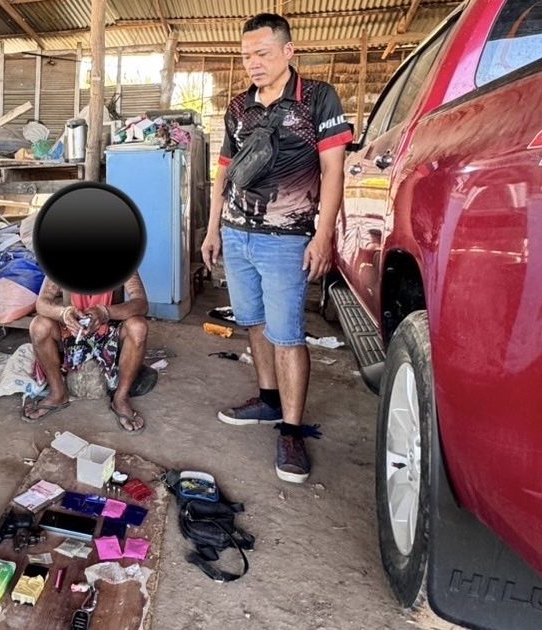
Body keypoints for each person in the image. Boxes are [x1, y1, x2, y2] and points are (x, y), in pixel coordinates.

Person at [201, 14, 351, 484]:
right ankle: (268, 401)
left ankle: (291, 429)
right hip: (237, 233)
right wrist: (212, 229)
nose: (253, 63)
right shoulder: (238, 107)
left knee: (287, 335)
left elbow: (333, 170)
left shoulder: (317, 98)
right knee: (254, 322)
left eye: (262, 53)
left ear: (288, 51)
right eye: (247, 55)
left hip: (287, 237)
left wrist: (323, 235)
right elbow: (223, 173)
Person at [23, 273, 152, 433]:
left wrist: (106, 312)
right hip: (72, 331)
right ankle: (58, 394)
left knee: (138, 327)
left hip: (110, 331)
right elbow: (42, 303)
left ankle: (120, 398)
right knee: (38, 326)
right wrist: (64, 314)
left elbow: (141, 303)